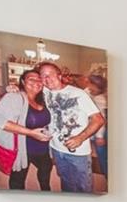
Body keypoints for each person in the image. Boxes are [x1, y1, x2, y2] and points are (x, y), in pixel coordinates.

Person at [39, 61, 104, 193]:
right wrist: (13, 88)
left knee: (84, 187)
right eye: (43, 76)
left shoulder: (78, 94)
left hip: (78, 152)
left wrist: (80, 138)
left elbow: (98, 120)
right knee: (65, 183)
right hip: (56, 149)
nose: (47, 79)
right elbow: (27, 86)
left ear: (59, 75)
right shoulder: (45, 91)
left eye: (50, 74)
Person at [0, 69, 50, 190]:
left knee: (46, 171)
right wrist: (31, 133)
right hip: (21, 149)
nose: (36, 82)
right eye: (31, 79)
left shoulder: (43, 99)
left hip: (42, 147)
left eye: (39, 79)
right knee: (18, 180)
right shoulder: (14, 97)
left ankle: (47, 195)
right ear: (22, 81)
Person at [85, 71, 109, 179]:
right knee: (88, 153)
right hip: (90, 130)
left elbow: (101, 119)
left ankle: (107, 176)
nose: (88, 86)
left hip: (99, 131)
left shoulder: (100, 99)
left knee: (102, 155)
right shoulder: (89, 92)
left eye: (90, 84)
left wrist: (99, 137)